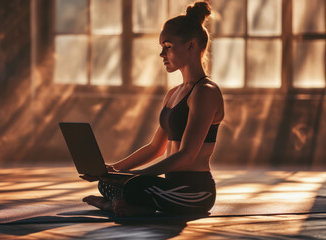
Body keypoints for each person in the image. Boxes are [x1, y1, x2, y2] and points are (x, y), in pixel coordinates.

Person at [82, 1, 224, 217]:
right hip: (166, 186)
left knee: (133, 187)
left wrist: (138, 177)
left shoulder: (205, 92)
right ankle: (126, 204)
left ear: (191, 46)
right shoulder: (174, 93)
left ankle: (118, 205)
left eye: (167, 46)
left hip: (195, 192)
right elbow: (155, 148)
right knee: (107, 184)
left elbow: (187, 156)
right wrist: (114, 170)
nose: (161, 54)